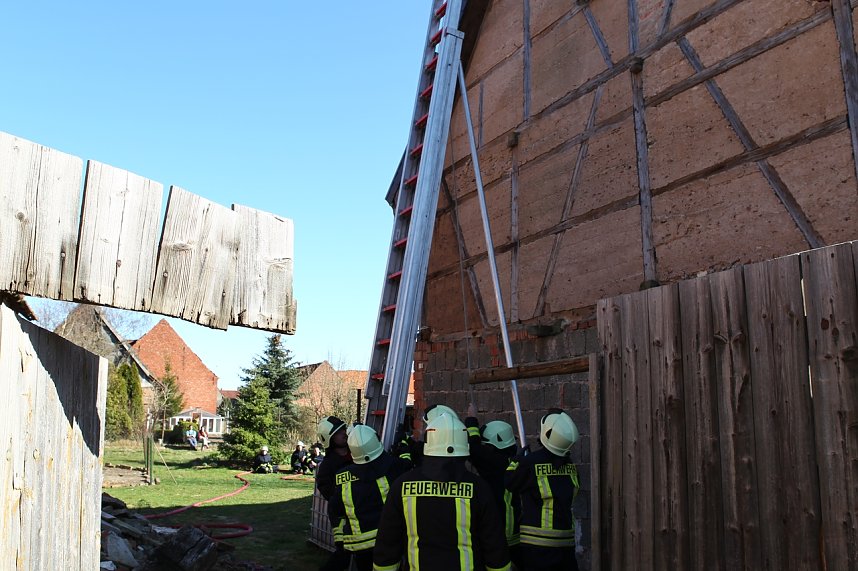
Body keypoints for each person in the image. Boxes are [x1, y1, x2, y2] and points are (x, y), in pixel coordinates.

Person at [373, 413, 511, 571]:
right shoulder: (479, 488)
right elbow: (494, 546)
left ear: (428, 445)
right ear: (464, 448)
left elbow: (387, 542)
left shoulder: (402, 486)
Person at [327, 424, 412, 571]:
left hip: (360, 545)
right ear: (377, 441)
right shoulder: (393, 466)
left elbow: (335, 509)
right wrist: (404, 448)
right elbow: (408, 466)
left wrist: (340, 540)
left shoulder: (342, 476)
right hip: (388, 539)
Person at [505, 409, 580, 571]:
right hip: (566, 544)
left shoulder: (530, 463)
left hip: (537, 547)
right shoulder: (571, 467)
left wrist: (516, 461)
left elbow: (510, 482)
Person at [465, 404, 522, 568]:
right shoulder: (511, 462)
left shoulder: (497, 465)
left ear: (493, 446)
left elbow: (474, 450)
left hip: (500, 537)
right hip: (515, 537)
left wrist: (471, 420)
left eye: (486, 446)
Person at [315, 416, 353, 571]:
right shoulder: (328, 466)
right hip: (341, 514)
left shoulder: (358, 453)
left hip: (360, 510)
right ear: (329, 439)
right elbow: (327, 491)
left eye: (343, 429)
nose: (344, 433)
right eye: (338, 432)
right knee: (344, 551)